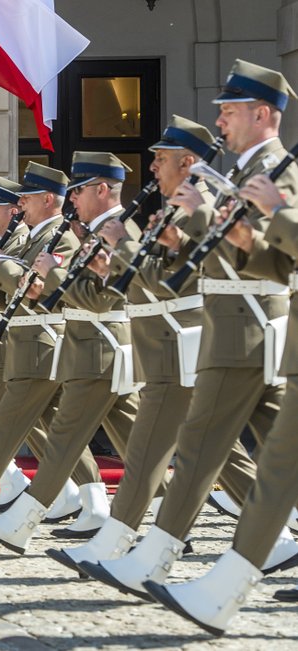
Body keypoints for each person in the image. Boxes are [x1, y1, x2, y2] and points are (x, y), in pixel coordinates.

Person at [83, 59, 298, 599]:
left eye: (229, 111)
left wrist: (204, 220)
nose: (222, 121)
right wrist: (190, 234)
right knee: (264, 454)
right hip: (234, 326)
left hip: (243, 326)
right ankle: (179, 562)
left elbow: (270, 259)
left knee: (200, 448)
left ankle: (156, 561)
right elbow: (225, 257)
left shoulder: (274, 169)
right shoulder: (248, 173)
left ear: (262, 113)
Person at [48, 117, 260, 574]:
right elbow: (152, 281)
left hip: (185, 343)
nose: (153, 169)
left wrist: (123, 249)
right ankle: (269, 536)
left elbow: (171, 285)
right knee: (193, 452)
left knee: (160, 454)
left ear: (188, 163)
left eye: (161, 160)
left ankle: (125, 543)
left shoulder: (199, 206)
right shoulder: (179, 208)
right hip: (171, 345)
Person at [0, 152, 148, 552]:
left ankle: (19, 523)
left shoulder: (119, 232)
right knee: (140, 445)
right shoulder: (97, 231)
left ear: (102, 190)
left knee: (65, 439)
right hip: (89, 348)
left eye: (79, 190)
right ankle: (169, 525)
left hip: (100, 346)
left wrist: (48, 276)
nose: (73, 199)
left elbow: (102, 299)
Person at [144, 169, 298, 635]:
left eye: (232, 110)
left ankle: (212, 585)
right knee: (276, 462)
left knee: (265, 462)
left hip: (249, 336)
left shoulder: (280, 180)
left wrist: (274, 213)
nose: (224, 119)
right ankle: (216, 586)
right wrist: (235, 234)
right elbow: (274, 266)